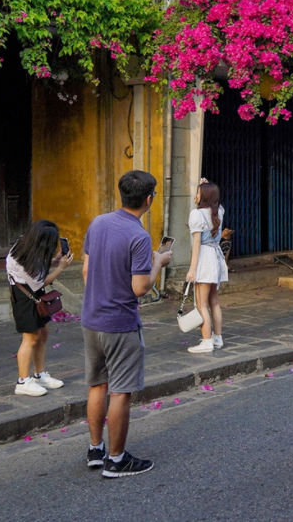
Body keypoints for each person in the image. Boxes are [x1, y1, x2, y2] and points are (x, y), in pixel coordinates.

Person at [81, 170, 172, 478]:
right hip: (119, 322)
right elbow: (140, 288)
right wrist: (158, 261)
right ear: (148, 200)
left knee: (98, 384)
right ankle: (117, 459)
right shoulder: (139, 236)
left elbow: (86, 272)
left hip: (91, 318)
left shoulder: (98, 223)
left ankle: (96, 450)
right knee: (120, 391)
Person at [6, 220, 75, 396]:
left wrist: (54, 261)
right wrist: (60, 268)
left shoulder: (27, 245)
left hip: (36, 296)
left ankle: (39, 375)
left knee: (43, 334)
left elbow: (39, 266)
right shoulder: (23, 258)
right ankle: (22, 381)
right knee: (30, 338)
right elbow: (39, 282)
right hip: (26, 298)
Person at [185, 179, 228, 354]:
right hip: (216, 257)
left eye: (197, 192)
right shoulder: (220, 211)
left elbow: (196, 243)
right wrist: (207, 186)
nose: (195, 196)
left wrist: (192, 269)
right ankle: (217, 338)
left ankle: (206, 341)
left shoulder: (196, 215)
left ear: (203, 196)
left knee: (201, 304)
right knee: (214, 302)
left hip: (204, 258)